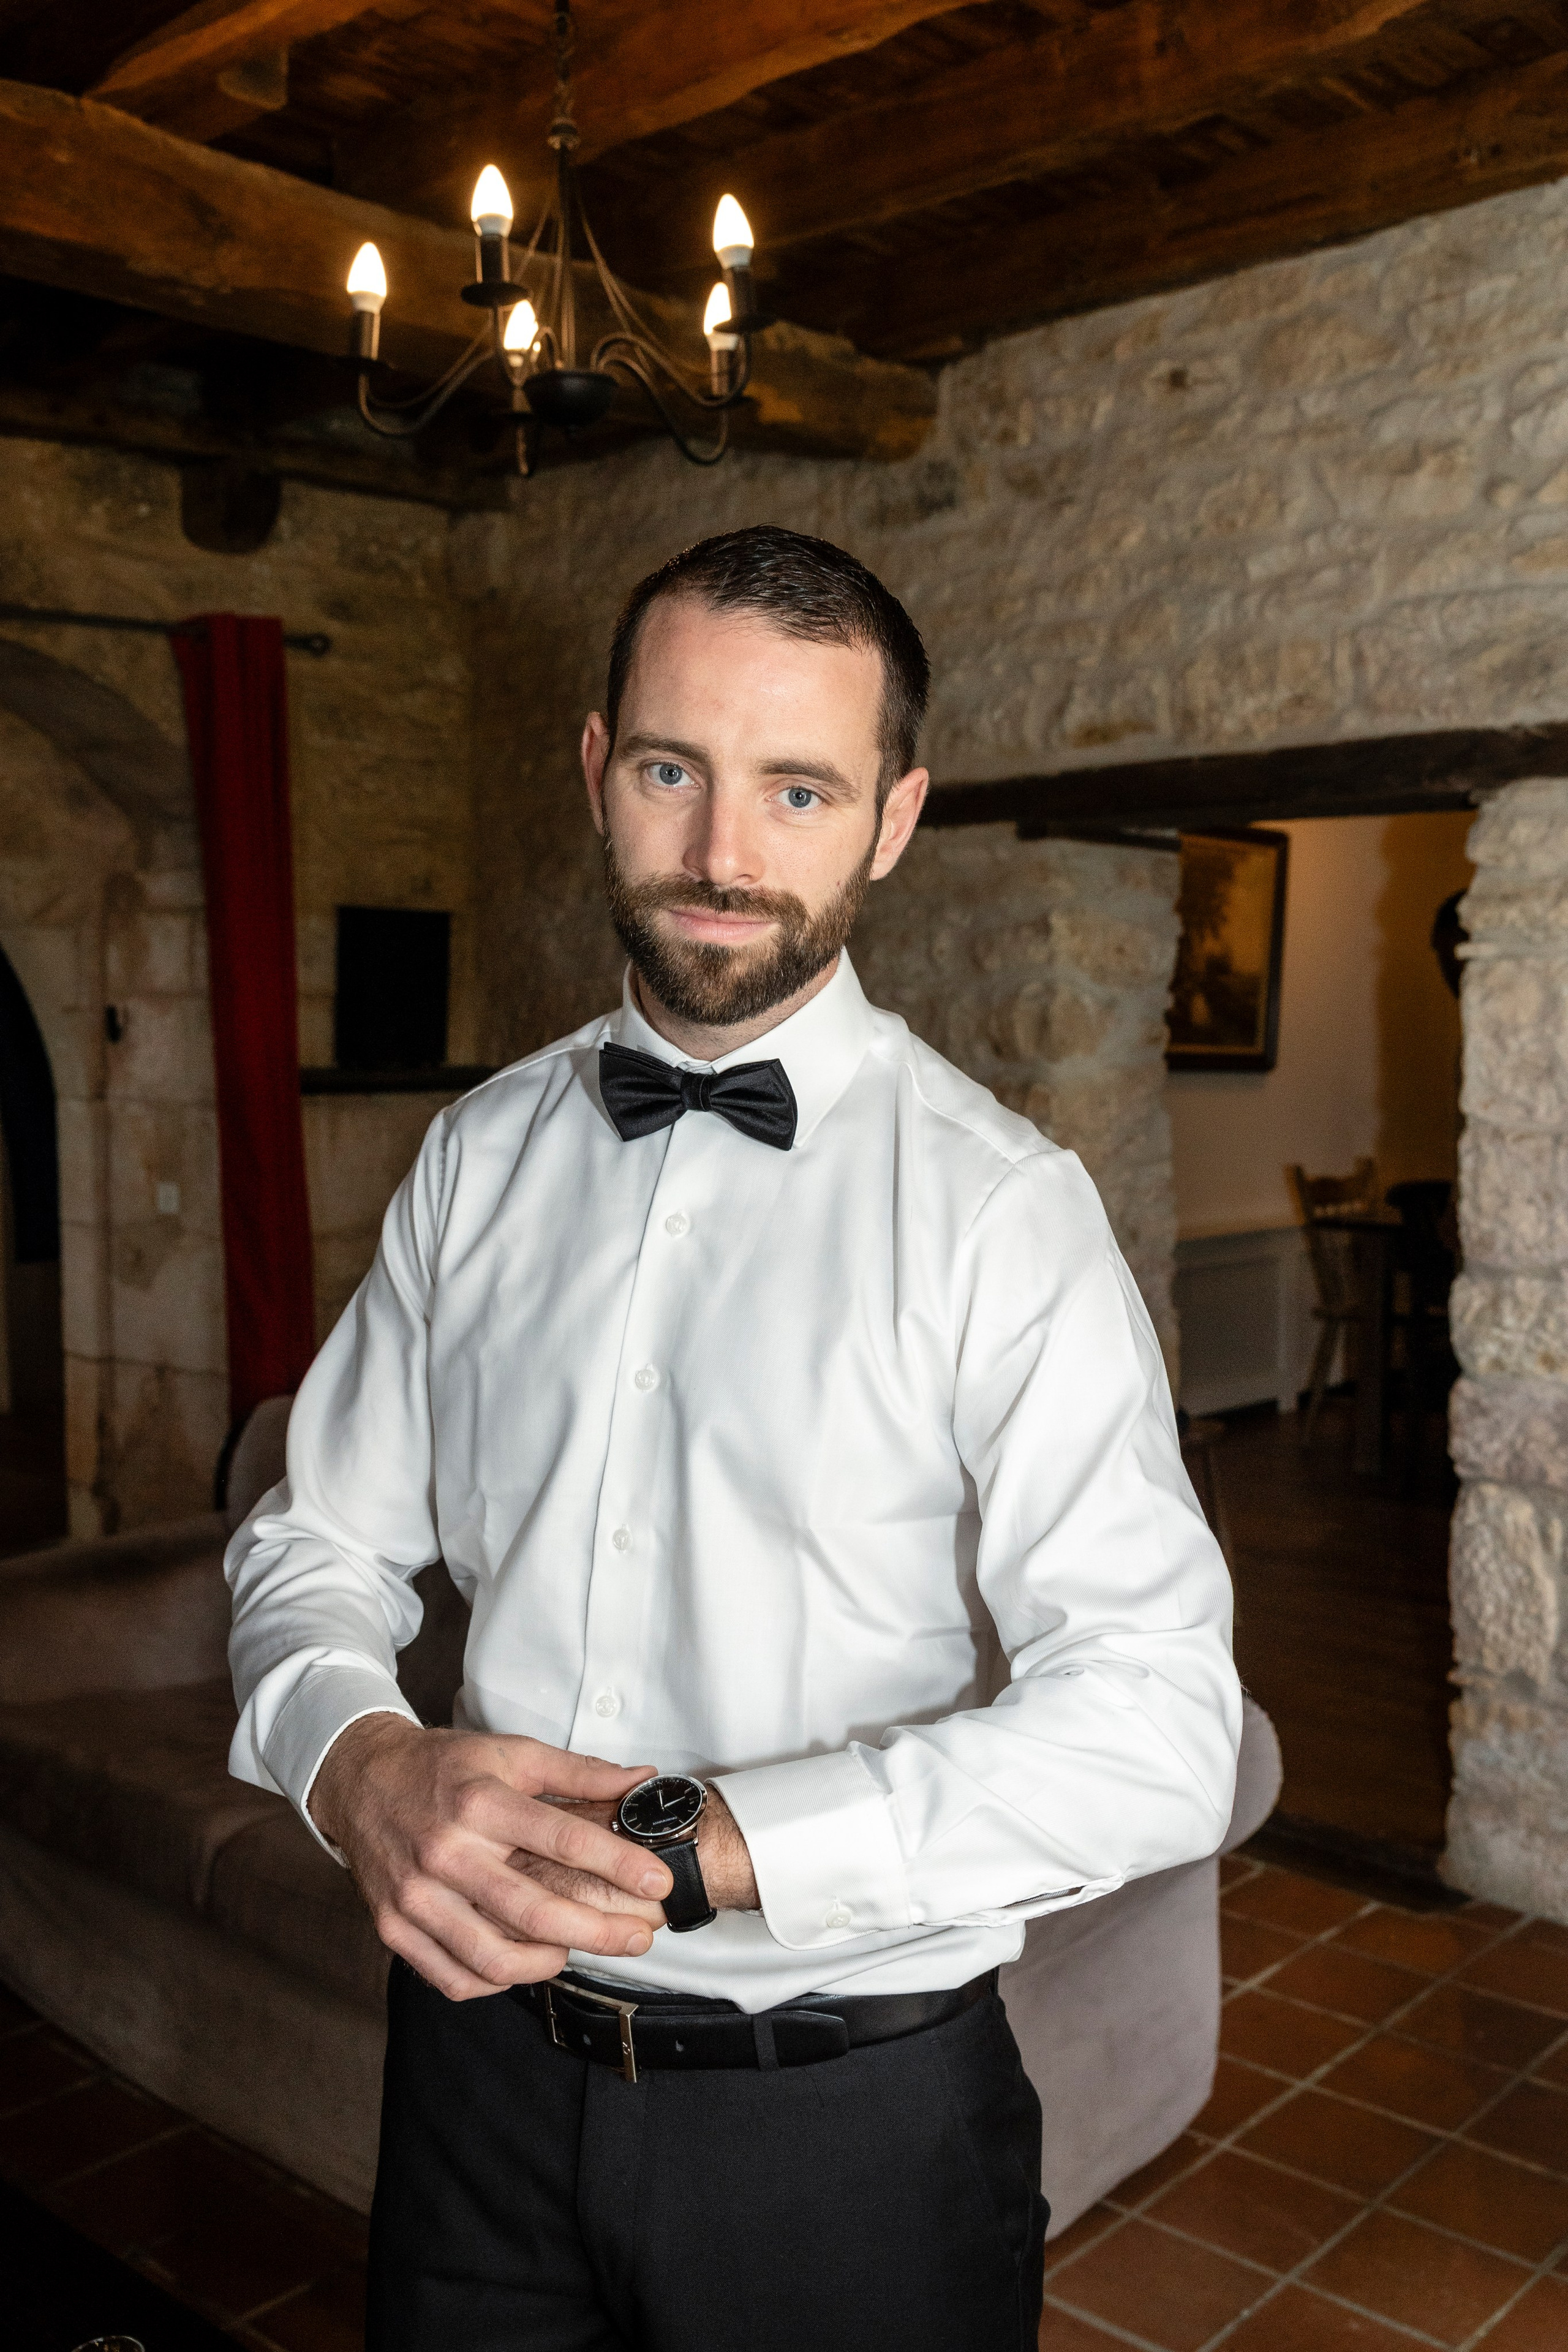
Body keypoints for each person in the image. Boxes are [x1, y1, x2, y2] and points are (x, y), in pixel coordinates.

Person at [226, 524, 1241, 2352]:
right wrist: (358, 1762)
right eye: (679, 772)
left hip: (845, 2131)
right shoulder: (480, 1155)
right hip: (473, 2080)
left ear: (893, 816)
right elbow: (316, 1540)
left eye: (797, 789)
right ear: (599, 767)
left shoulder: (1003, 1211)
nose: (721, 855)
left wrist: (718, 1845)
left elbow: (1163, 1723)